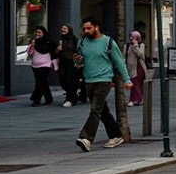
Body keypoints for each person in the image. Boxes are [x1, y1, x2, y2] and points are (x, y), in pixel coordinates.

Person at [75, 17, 129, 151]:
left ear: (96, 27)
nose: (86, 31)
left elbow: (119, 62)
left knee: (95, 109)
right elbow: (80, 62)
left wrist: (127, 79)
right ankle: (116, 135)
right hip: (89, 80)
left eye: (89, 28)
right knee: (102, 111)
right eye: (84, 29)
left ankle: (86, 138)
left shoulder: (108, 42)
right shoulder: (82, 43)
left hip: (104, 80)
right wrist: (77, 61)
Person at [27, 27, 56, 106]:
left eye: (39, 32)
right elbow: (30, 54)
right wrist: (32, 46)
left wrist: (55, 64)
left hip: (45, 65)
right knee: (43, 82)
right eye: (37, 32)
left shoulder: (49, 43)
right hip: (35, 66)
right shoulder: (34, 42)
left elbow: (54, 53)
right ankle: (49, 98)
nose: (37, 34)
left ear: (44, 33)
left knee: (40, 83)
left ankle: (36, 99)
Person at [56, 24, 82, 107]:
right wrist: (57, 50)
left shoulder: (74, 39)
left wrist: (78, 60)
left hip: (72, 62)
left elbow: (79, 50)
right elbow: (55, 53)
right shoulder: (60, 39)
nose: (62, 30)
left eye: (65, 28)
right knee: (63, 80)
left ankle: (70, 99)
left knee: (70, 80)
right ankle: (73, 95)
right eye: (62, 28)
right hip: (63, 62)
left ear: (69, 30)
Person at [125, 30, 147, 107]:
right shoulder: (127, 45)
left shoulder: (141, 45)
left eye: (133, 37)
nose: (131, 38)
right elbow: (124, 56)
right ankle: (139, 99)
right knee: (134, 83)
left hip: (139, 67)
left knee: (135, 83)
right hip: (130, 67)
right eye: (130, 37)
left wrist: (135, 46)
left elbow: (141, 55)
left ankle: (133, 100)